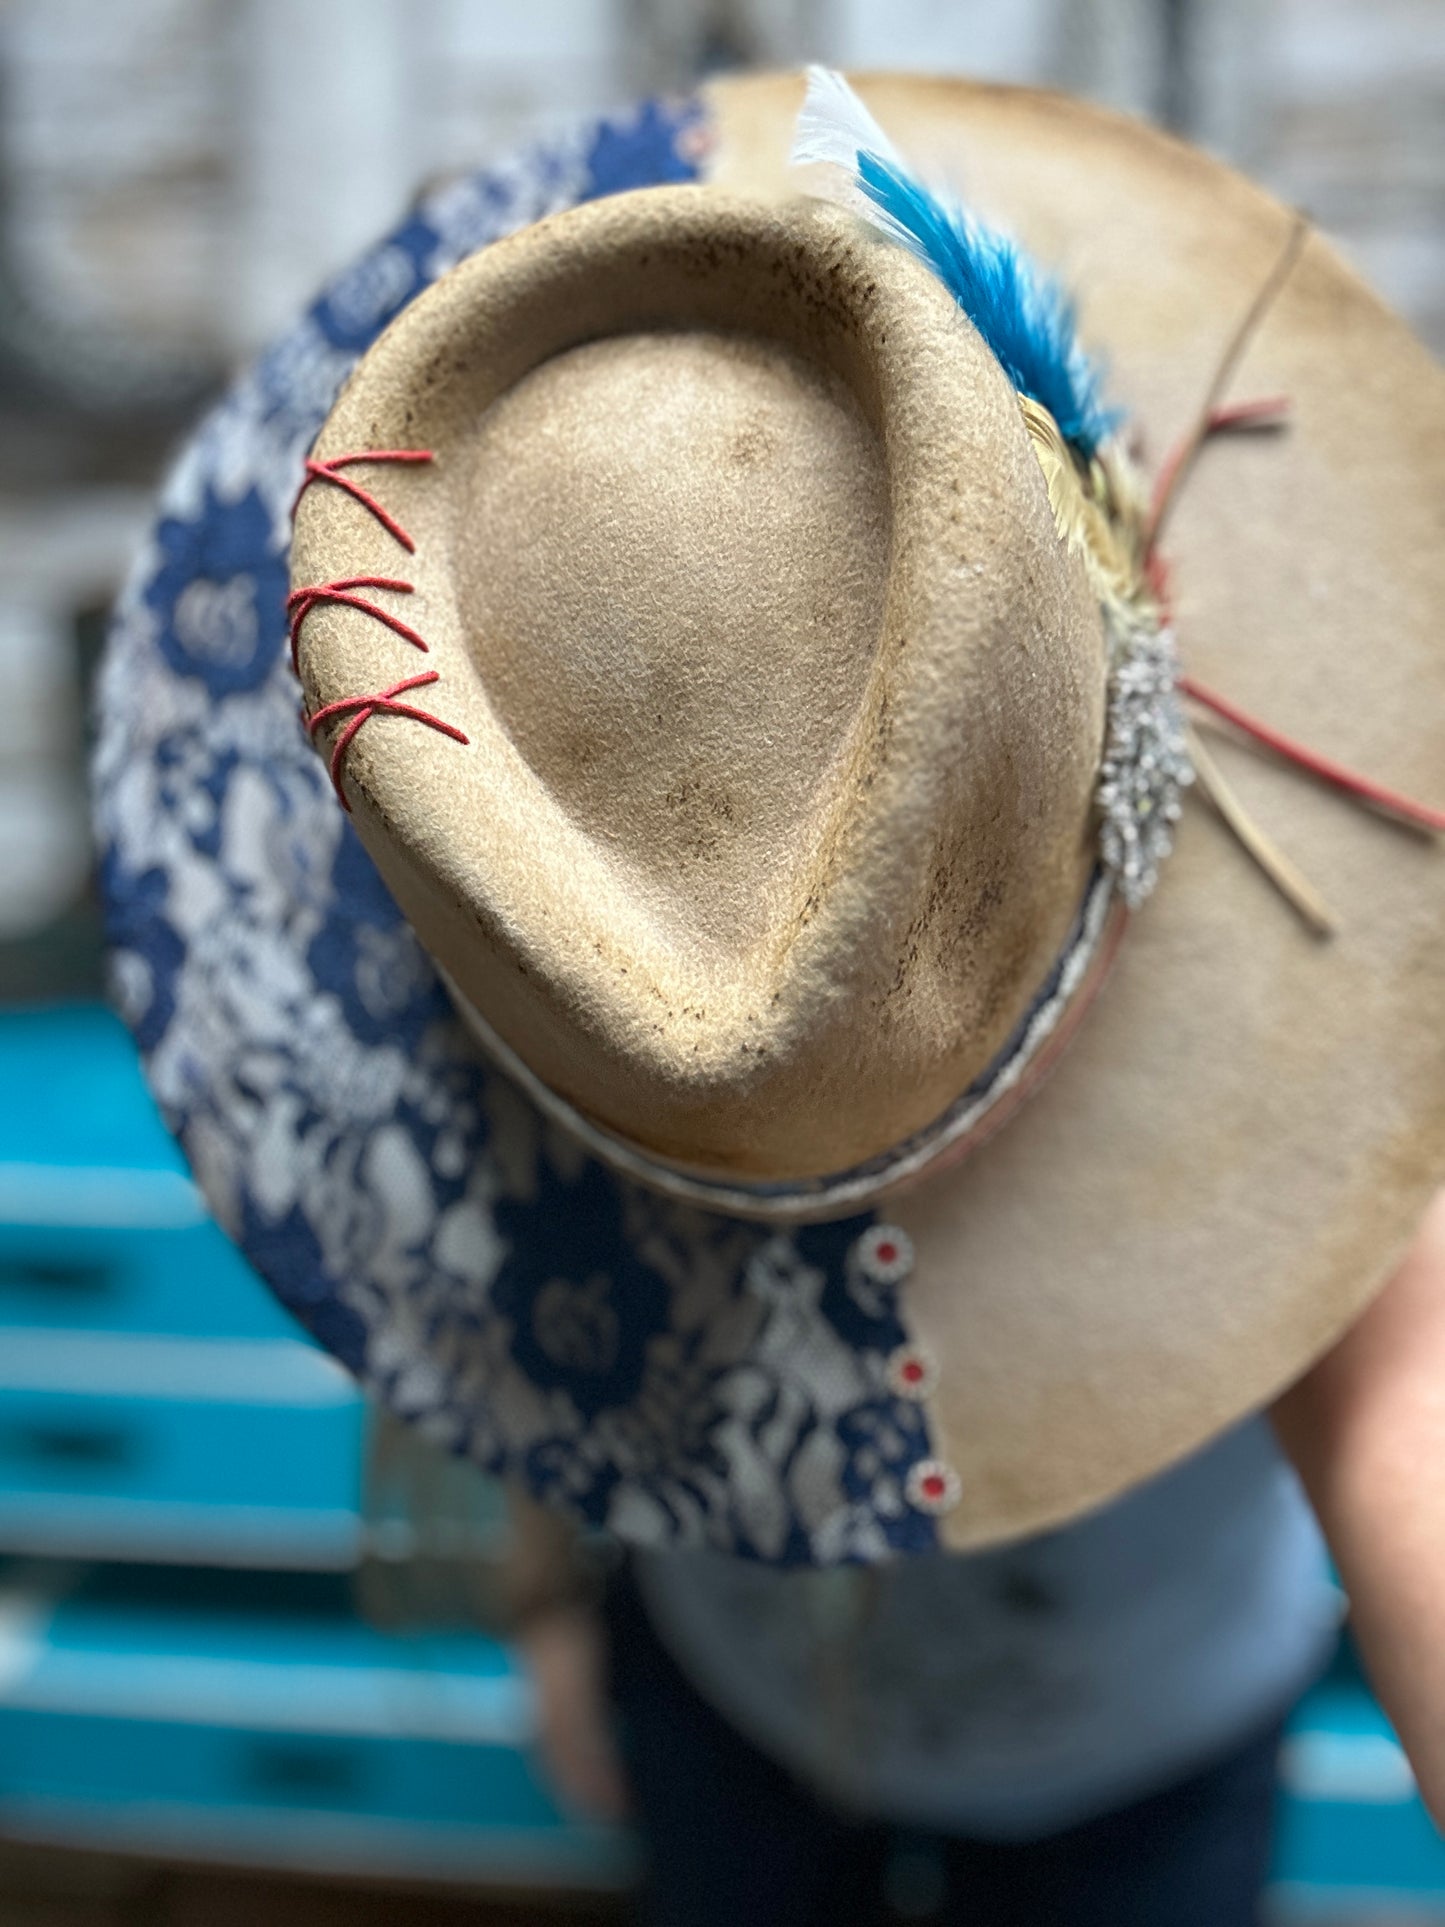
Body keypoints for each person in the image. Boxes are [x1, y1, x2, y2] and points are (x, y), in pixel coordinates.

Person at [93, 62, 1445, 1927]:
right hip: (718, 1681)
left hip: (1155, 1719)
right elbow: (496, 1272)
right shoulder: (533, 809)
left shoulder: (945, 592)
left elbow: (1412, 1424)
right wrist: (553, 1601)